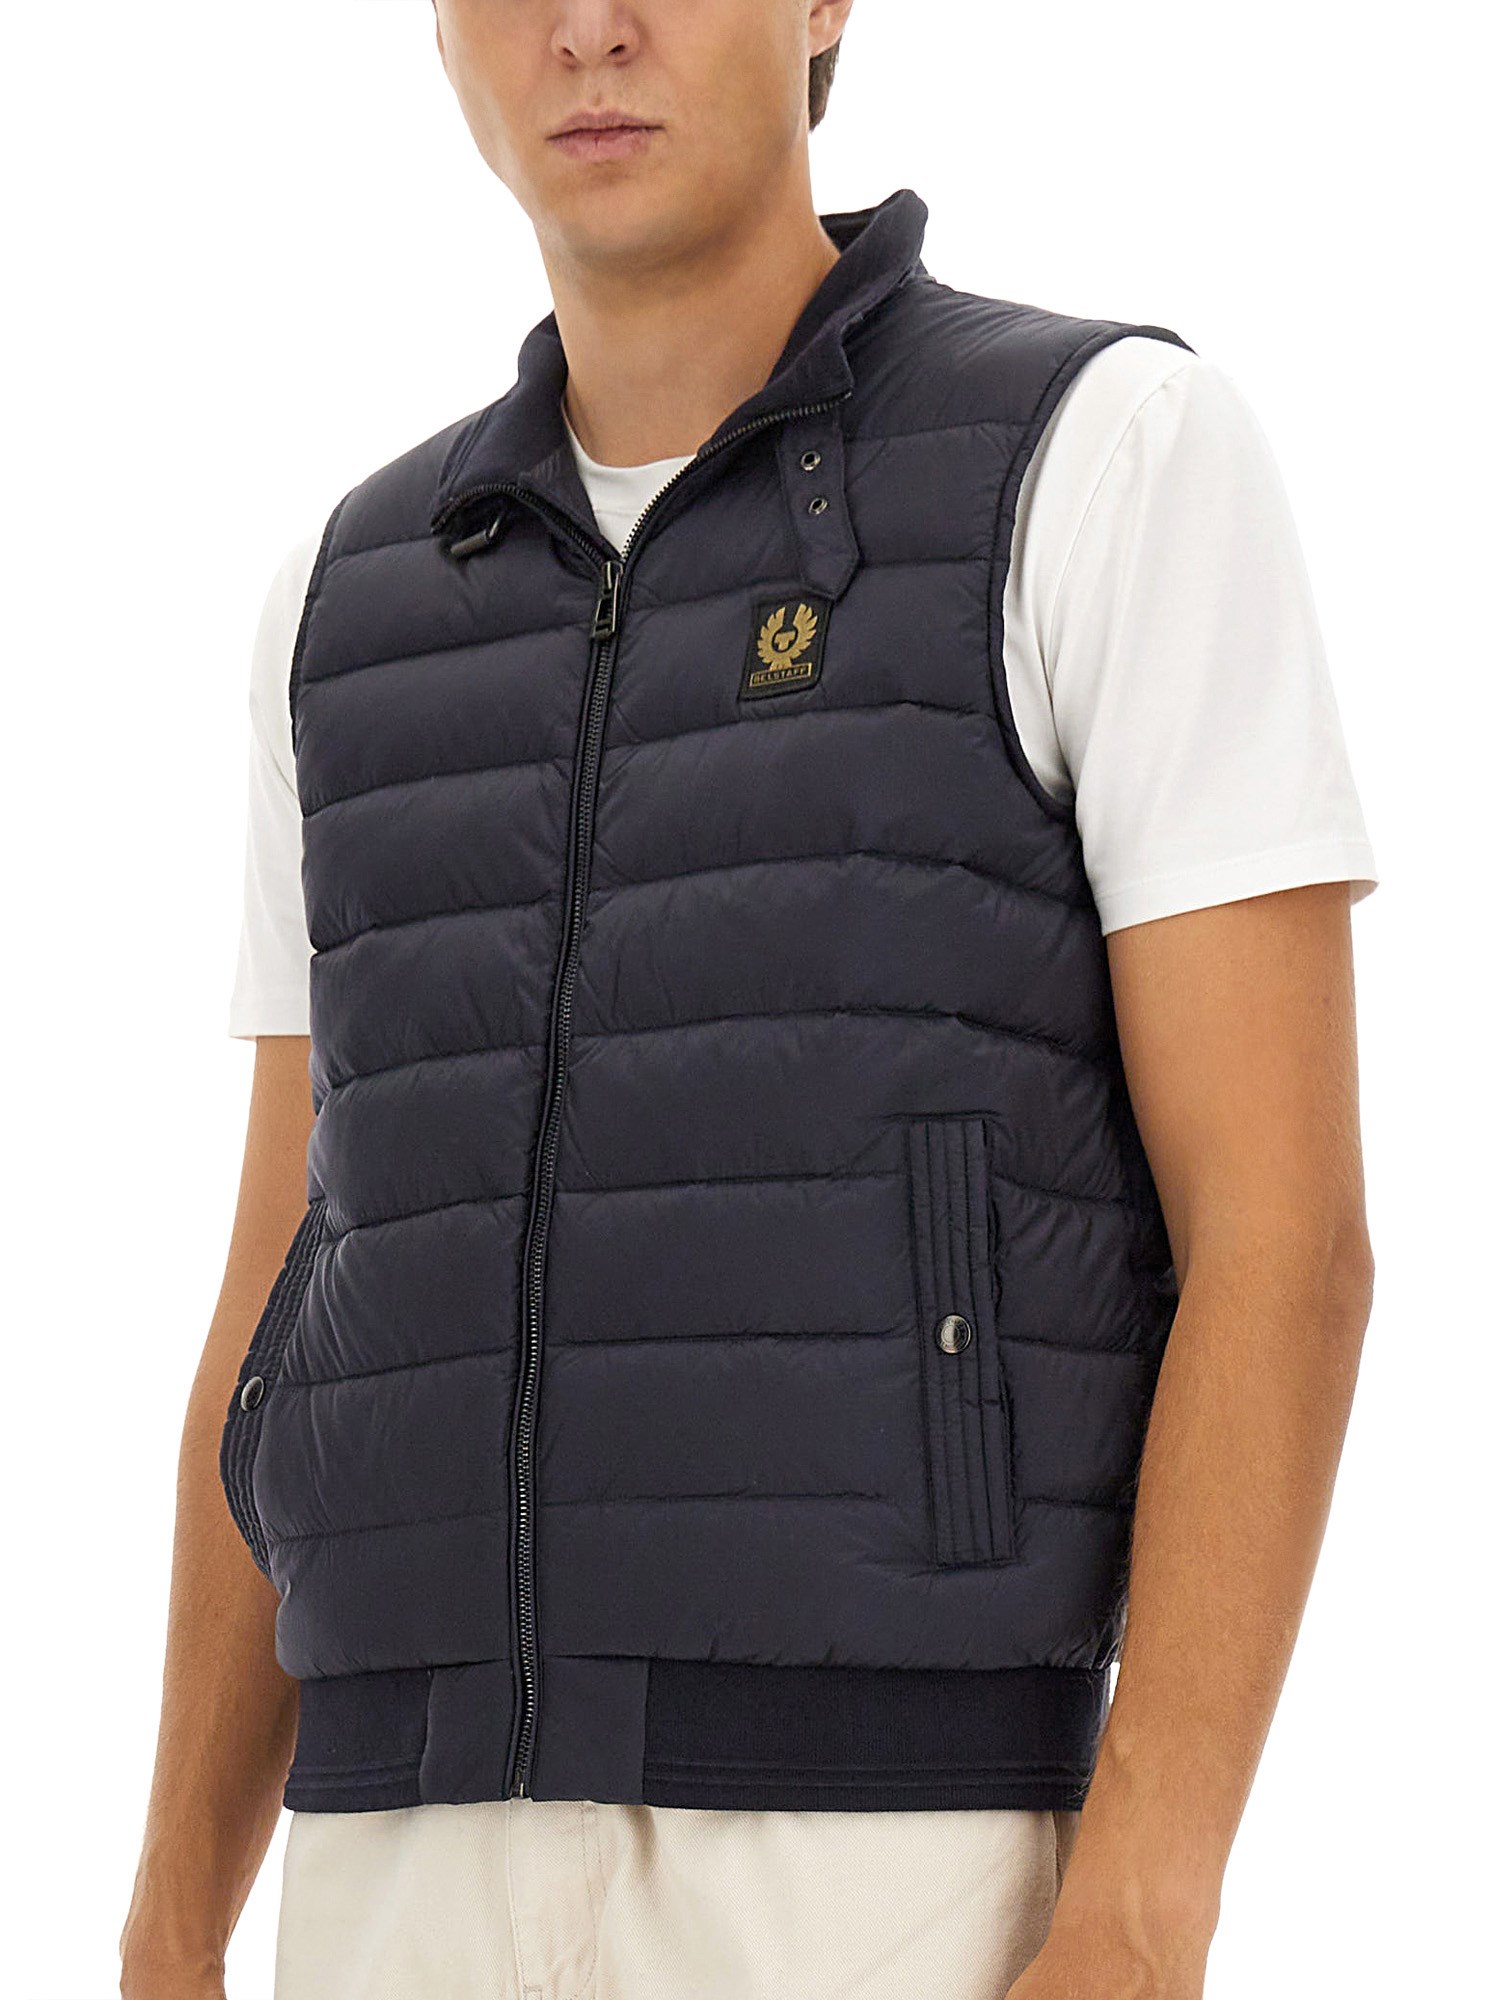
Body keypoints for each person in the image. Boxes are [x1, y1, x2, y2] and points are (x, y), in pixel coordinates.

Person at [120, 5, 1380, 1998]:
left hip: (890, 1856)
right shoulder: (347, 603)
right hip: (393, 1860)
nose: (589, 28)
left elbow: (1284, 1237)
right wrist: (171, 1919)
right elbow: (290, 1279)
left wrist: (1145, 1903)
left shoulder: (1105, 458)